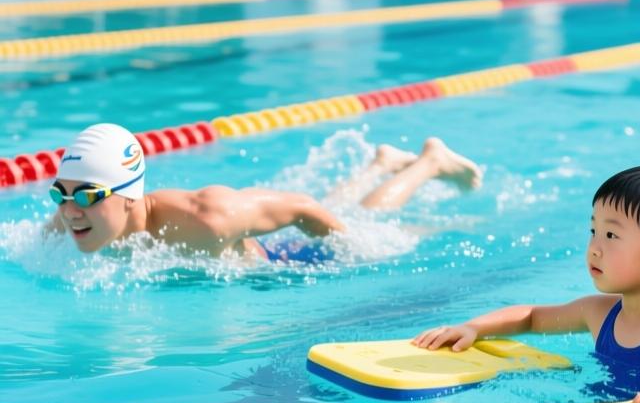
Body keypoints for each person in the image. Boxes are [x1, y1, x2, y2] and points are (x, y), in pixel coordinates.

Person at [414, 164, 640, 403]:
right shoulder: (599, 313)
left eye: (611, 235)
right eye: (594, 231)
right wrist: (473, 328)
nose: (595, 247)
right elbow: (531, 317)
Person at [48, 122, 482, 261]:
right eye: (59, 194)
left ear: (129, 196)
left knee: (373, 223)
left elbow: (301, 206)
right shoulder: (71, 218)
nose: (69, 211)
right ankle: (381, 163)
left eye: (87, 196)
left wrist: (357, 247)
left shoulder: (207, 217)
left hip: (281, 262)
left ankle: (430, 162)